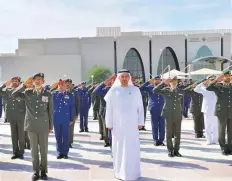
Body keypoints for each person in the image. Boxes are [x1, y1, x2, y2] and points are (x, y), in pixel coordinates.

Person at [12, 73, 53, 181]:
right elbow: (13, 94)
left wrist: (50, 126)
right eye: (35, 80)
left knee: (43, 150)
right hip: (31, 126)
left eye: (40, 79)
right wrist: (24, 85)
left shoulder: (48, 94)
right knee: (34, 150)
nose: (38, 81)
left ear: (43, 81)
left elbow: (50, 112)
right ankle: (36, 171)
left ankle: (43, 171)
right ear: (33, 82)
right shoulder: (27, 92)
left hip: (43, 126)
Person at [105, 69, 144, 180]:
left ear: (129, 78)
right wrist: (109, 123)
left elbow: (140, 107)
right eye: (122, 76)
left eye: (126, 76)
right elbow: (109, 109)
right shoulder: (113, 91)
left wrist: (141, 122)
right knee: (119, 148)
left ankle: (133, 173)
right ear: (119, 78)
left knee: (132, 148)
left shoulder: (135, 90)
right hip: (118, 125)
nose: (124, 78)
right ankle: (119, 172)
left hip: (132, 125)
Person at [153, 76, 183, 157]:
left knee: (177, 134)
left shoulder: (180, 91)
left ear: (177, 83)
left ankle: (176, 151)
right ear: (169, 83)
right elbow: (155, 90)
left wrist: (181, 114)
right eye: (172, 82)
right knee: (169, 134)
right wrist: (163, 83)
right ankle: (170, 150)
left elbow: (182, 104)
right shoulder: (166, 91)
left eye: (175, 82)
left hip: (177, 115)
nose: (174, 84)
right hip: (168, 115)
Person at [206, 71, 232, 155]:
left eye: (229, 76)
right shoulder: (218, 86)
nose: (228, 77)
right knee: (222, 131)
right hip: (221, 112)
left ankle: (230, 148)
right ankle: (223, 148)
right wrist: (216, 79)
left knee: (230, 131)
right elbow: (208, 87)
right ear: (223, 77)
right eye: (226, 76)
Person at [0, 76, 26, 159]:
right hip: (12, 116)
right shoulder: (8, 90)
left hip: (21, 116)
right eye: (13, 81)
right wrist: (4, 85)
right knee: (14, 136)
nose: (14, 82)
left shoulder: (23, 90)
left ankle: (21, 152)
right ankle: (15, 152)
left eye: (16, 81)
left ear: (19, 82)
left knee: (21, 135)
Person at [140, 75, 165, 146]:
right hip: (153, 108)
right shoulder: (150, 87)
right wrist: (148, 82)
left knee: (162, 125)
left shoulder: (164, 87)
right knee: (154, 125)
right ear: (153, 80)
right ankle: (155, 140)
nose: (157, 80)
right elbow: (140, 88)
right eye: (156, 79)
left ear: (160, 80)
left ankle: (161, 140)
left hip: (162, 108)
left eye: (158, 79)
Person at [53, 80, 75, 159]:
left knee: (65, 136)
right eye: (59, 85)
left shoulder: (70, 95)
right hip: (56, 119)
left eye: (63, 85)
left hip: (66, 119)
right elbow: (45, 91)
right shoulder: (53, 94)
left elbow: (72, 107)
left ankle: (65, 152)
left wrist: (71, 119)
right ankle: (59, 152)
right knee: (58, 136)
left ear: (66, 86)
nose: (61, 87)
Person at [93, 74, 117, 148]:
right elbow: (95, 91)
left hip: (118, 113)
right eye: (113, 81)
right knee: (106, 128)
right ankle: (108, 142)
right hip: (106, 111)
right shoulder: (107, 90)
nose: (114, 82)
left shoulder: (124, 90)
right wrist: (106, 82)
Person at [194, 75, 218, 145]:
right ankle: (209, 140)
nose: (212, 80)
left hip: (215, 109)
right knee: (208, 126)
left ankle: (215, 140)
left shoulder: (217, 88)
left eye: (213, 79)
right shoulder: (204, 88)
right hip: (207, 110)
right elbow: (195, 89)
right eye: (210, 79)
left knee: (215, 126)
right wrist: (202, 83)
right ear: (207, 80)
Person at [65, 79, 79, 148]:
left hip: (72, 113)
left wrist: (77, 114)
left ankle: (69, 142)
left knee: (71, 128)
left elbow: (77, 103)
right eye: (66, 83)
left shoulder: (75, 92)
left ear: (71, 84)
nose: (67, 84)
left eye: (69, 83)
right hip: (63, 113)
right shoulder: (61, 91)